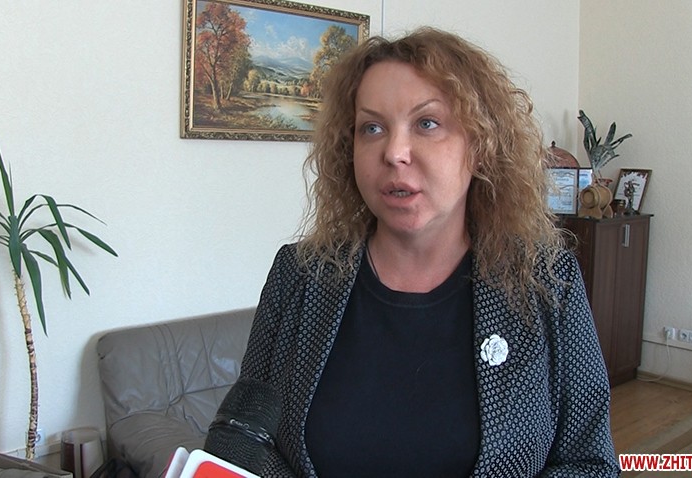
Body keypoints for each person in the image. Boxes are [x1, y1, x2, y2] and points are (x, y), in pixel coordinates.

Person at [238, 27, 619, 477]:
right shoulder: (299, 275)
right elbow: (245, 441)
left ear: (480, 146)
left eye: (427, 123)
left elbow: (590, 463)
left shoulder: (547, 281)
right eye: (372, 128)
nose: (395, 153)